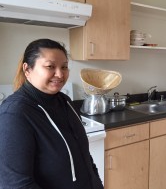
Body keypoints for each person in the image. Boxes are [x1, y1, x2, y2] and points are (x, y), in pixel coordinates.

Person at [0, 38, 104, 189]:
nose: (60, 74)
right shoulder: (15, 114)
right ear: (27, 69)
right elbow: (16, 185)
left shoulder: (66, 101)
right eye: (50, 66)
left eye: (64, 67)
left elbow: (84, 155)